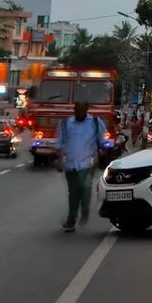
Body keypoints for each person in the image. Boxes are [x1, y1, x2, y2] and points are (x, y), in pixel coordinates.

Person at [54, 99, 103, 232]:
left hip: (87, 163)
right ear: (74, 110)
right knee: (73, 193)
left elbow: (101, 141)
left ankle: (85, 210)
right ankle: (71, 220)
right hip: (70, 164)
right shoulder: (65, 123)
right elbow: (60, 142)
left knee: (85, 187)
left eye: (82, 110)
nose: (79, 113)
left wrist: (98, 156)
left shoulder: (95, 123)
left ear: (87, 110)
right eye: (77, 110)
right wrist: (59, 159)